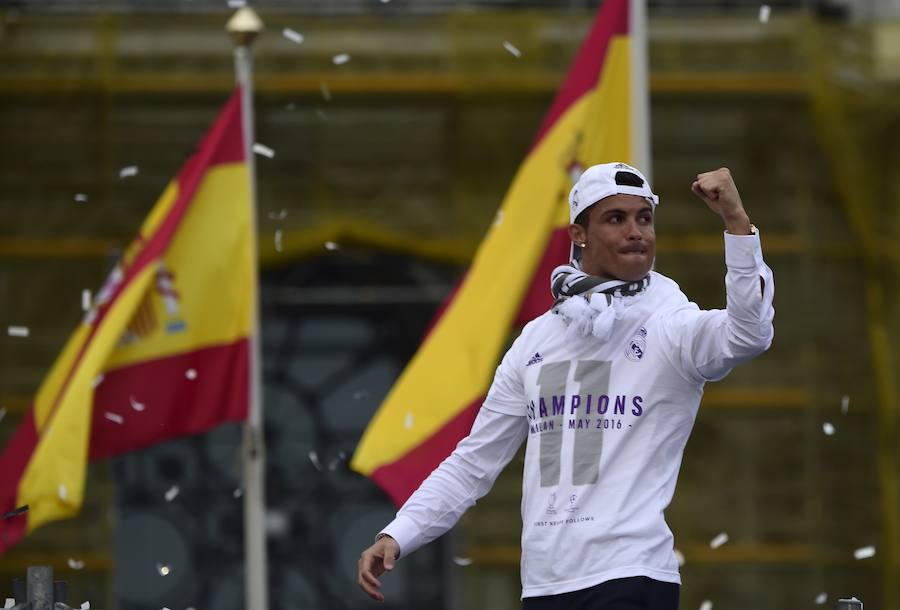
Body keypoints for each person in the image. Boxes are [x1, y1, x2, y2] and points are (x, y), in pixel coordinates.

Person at [357, 163, 775, 609]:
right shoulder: (536, 340)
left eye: (644, 218)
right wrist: (398, 534)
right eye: (616, 219)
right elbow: (473, 463)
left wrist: (736, 221)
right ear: (579, 235)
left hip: (631, 574)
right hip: (544, 585)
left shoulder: (672, 324)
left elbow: (748, 334)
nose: (636, 231)